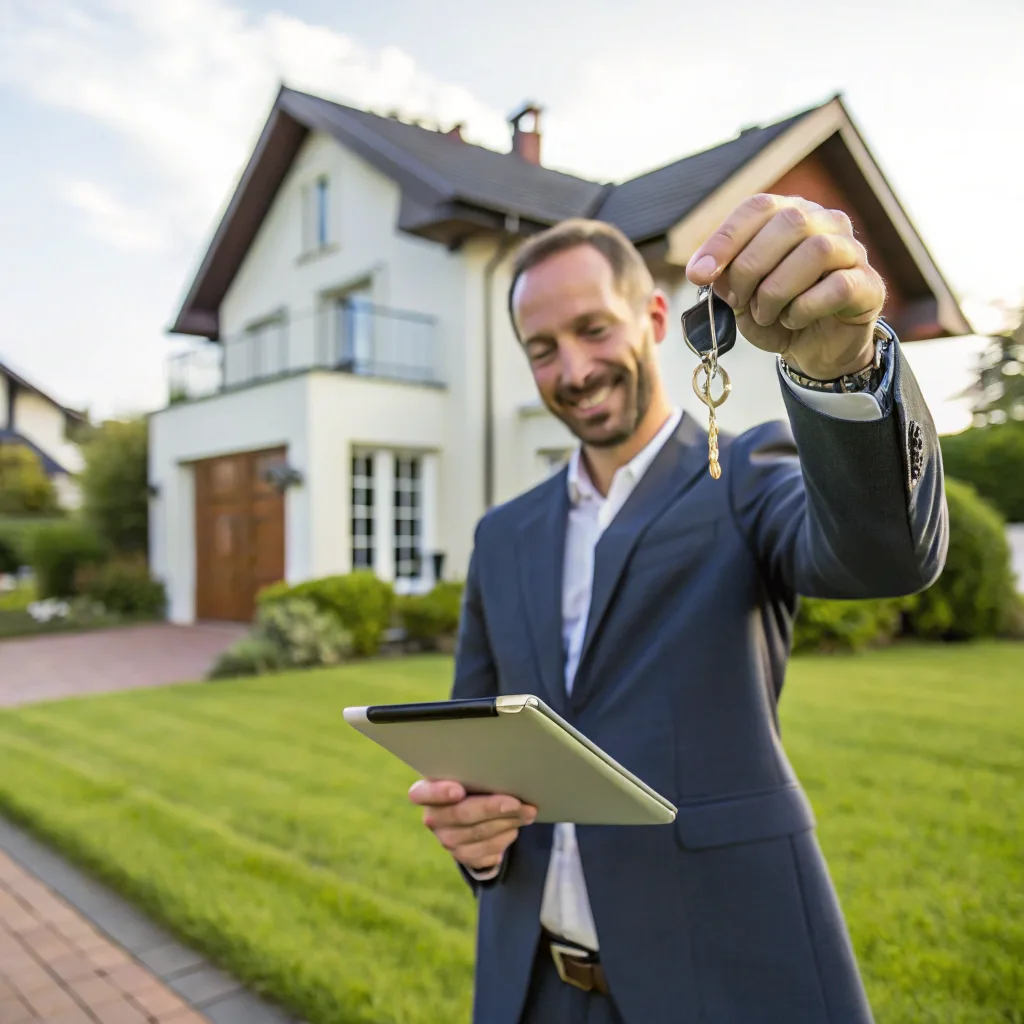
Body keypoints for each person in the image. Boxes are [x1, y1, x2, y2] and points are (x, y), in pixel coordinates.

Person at [408, 193, 947, 1024]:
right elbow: (473, 751)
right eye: (542, 349)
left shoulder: (747, 476)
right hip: (533, 987)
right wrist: (475, 839)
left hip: (725, 975)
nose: (574, 371)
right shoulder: (502, 536)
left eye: (594, 330)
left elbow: (882, 553)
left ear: (655, 315)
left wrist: (840, 372)